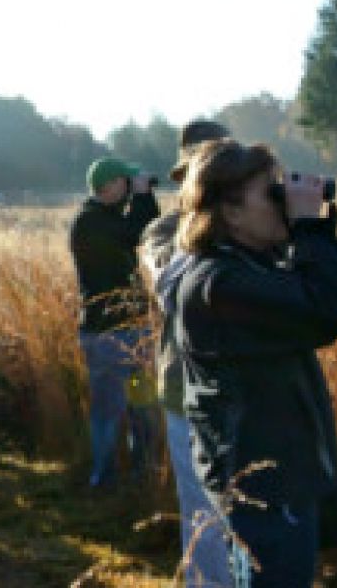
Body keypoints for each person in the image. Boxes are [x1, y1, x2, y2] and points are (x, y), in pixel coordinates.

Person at [174, 139, 337, 586]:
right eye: (269, 194)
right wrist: (308, 229)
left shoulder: (241, 267)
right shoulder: (219, 284)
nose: (281, 203)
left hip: (278, 482)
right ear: (232, 213)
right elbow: (325, 311)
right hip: (265, 493)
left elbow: (321, 292)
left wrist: (312, 231)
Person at [141, 120, 232, 586]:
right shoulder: (164, 230)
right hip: (187, 392)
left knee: (248, 517)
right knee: (203, 514)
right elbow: (167, 285)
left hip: (249, 395)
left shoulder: (258, 227)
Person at [69, 157, 160, 488]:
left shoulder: (107, 218)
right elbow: (136, 234)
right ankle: (103, 479)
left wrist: (143, 197)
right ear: (107, 186)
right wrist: (144, 197)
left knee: (143, 405)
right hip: (108, 335)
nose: (129, 190)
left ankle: (144, 473)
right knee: (109, 412)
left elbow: (146, 232)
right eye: (125, 183)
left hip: (133, 330)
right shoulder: (89, 222)